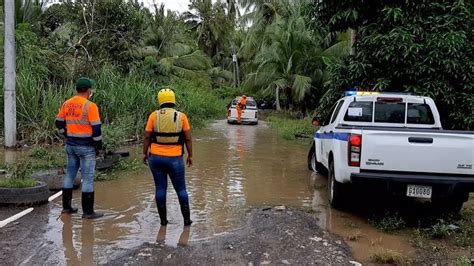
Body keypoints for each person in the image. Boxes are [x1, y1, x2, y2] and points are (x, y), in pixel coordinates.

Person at [143, 88, 193, 226]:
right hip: (175, 159)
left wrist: (144, 153)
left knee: (160, 189)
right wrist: (190, 155)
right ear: (173, 100)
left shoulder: (153, 116)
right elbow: (188, 139)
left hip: (156, 158)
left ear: (160, 100)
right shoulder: (181, 116)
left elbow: (147, 136)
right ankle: (187, 221)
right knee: (181, 190)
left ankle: (163, 222)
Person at [55, 77, 103, 219]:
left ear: (76, 89)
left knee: (70, 175)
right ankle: (88, 212)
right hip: (86, 147)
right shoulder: (90, 106)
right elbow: (96, 128)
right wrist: (98, 145)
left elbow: (58, 123)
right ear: (89, 91)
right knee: (87, 179)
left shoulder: (67, 103)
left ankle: (66, 208)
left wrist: (66, 134)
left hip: (71, 146)